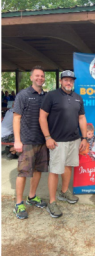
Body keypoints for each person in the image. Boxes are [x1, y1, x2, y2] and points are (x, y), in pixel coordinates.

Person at [39, 70, 87, 218]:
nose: (68, 82)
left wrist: (84, 138)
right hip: (57, 141)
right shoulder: (51, 95)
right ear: (61, 81)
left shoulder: (78, 98)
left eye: (71, 80)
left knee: (68, 166)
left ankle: (64, 192)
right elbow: (42, 117)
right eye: (66, 80)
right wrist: (47, 137)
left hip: (74, 139)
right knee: (54, 170)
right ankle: (52, 202)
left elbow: (82, 118)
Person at [13, 66, 48, 220]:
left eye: (42, 76)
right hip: (27, 141)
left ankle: (32, 197)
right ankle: (18, 203)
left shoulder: (46, 97)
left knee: (38, 170)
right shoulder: (23, 95)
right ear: (31, 78)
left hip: (42, 141)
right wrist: (17, 140)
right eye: (37, 76)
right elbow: (16, 118)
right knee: (23, 172)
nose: (40, 78)